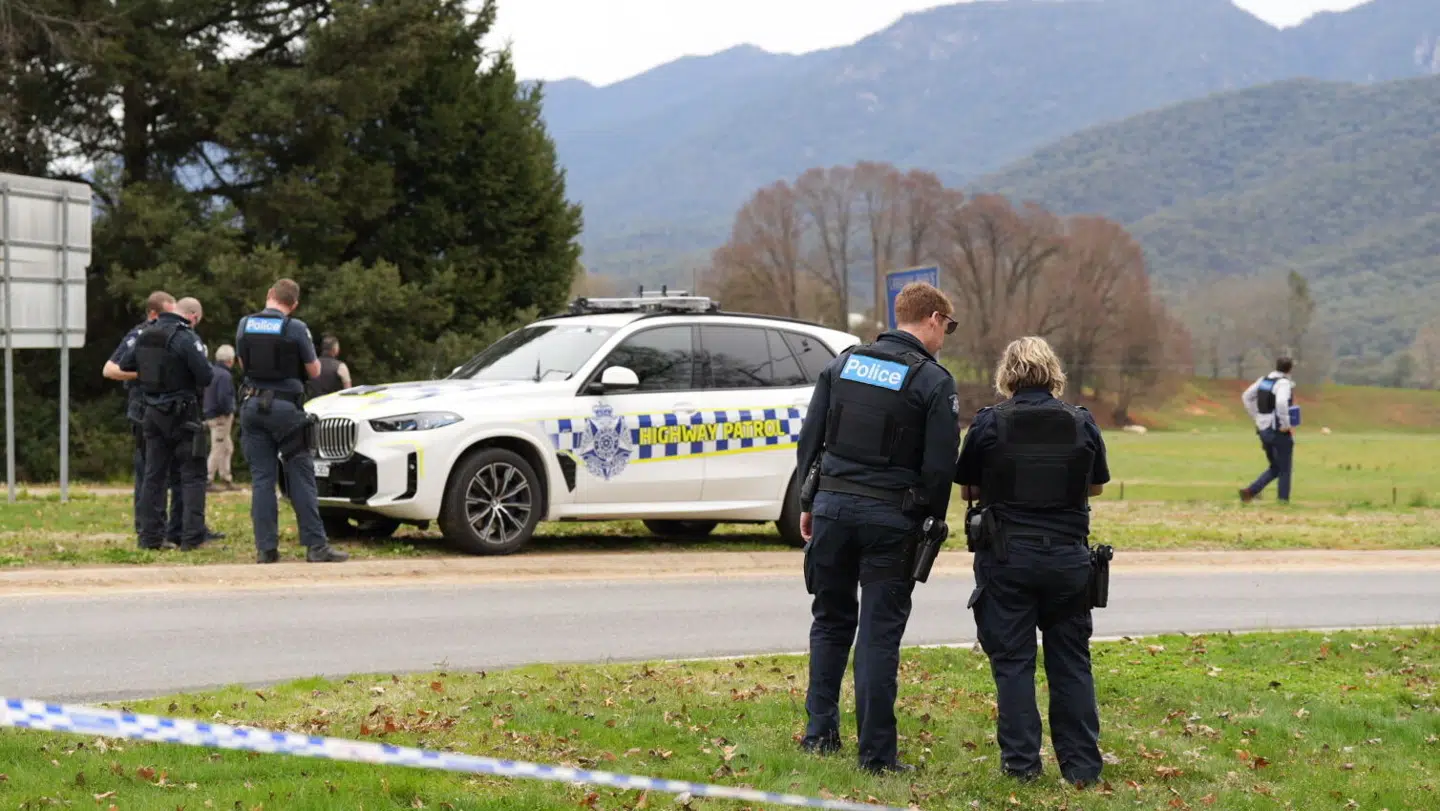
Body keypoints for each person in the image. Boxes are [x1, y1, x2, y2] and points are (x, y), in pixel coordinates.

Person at [794, 281, 961, 773]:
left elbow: (811, 440)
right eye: (947, 327)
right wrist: (931, 521)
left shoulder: (842, 365)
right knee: (877, 636)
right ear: (932, 319)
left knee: (829, 622)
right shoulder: (932, 381)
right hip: (891, 520)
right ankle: (876, 756)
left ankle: (819, 734)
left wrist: (809, 500)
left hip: (831, 511)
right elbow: (939, 466)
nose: (945, 336)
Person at [955, 336, 1109, 787]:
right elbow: (1096, 486)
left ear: (1008, 375)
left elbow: (966, 488)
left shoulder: (989, 423)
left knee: (1014, 663)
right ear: (1053, 373)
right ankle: (1081, 769)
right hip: (1067, 560)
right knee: (1071, 663)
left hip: (1008, 558)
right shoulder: (1081, 422)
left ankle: (1022, 767)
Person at [236, 278, 348, 564]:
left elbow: (242, 364)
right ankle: (315, 546)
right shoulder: (295, 328)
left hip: (252, 405)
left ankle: (266, 549)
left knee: (262, 480)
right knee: (301, 476)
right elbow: (314, 370)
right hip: (285, 410)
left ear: (269, 294)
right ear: (294, 304)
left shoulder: (245, 324)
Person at [117, 294, 214, 551]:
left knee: (153, 475)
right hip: (182, 414)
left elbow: (126, 364)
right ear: (192, 316)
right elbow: (205, 376)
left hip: (151, 412)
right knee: (192, 475)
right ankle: (191, 538)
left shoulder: (146, 334)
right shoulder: (185, 337)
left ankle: (149, 538)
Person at [1240, 357, 1295, 503]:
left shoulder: (1263, 381)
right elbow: (1282, 403)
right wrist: (1285, 424)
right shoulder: (1283, 383)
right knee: (1285, 468)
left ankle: (1250, 492)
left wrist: (1256, 415)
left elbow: (1246, 396)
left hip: (1262, 428)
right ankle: (1283, 500)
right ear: (1290, 369)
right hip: (1276, 429)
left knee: (1276, 467)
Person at [205, 344, 238, 491]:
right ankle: (208, 479)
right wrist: (229, 410)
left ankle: (226, 477)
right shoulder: (225, 376)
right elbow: (223, 397)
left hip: (211, 414)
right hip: (221, 417)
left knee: (227, 447)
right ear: (230, 360)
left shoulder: (211, 371)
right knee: (218, 447)